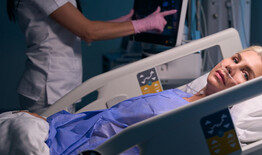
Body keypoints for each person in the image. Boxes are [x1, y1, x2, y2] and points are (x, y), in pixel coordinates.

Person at [0, 45, 262, 155]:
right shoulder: (183, 93)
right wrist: (50, 121)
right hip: (48, 133)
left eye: (245, 74)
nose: (231, 66)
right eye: (236, 58)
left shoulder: (198, 127)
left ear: (252, 92)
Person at [7, 0, 177, 114]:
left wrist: (124, 22)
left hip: (57, 85)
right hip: (49, 87)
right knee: (47, 154)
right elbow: (87, 31)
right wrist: (143, 24)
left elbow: (75, 31)